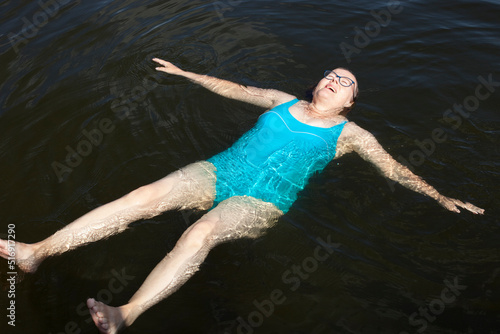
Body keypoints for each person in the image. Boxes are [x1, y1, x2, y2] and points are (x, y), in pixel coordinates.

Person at [0, 58, 484, 334]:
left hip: (263, 202)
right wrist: (187, 74)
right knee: (142, 195)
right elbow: (234, 88)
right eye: (330, 75)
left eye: (345, 82)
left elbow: (394, 168)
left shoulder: (352, 135)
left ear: (350, 101)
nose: (334, 80)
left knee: (201, 232)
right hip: (217, 171)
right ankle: (35, 251)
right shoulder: (282, 101)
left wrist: (440, 198)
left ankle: (126, 313)